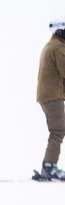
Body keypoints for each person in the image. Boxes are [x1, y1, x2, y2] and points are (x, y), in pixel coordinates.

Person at [34, 18, 65, 181]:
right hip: (53, 96)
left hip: (48, 95)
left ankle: (49, 165)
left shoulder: (51, 45)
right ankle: (49, 167)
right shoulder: (58, 47)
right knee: (58, 131)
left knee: (57, 130)